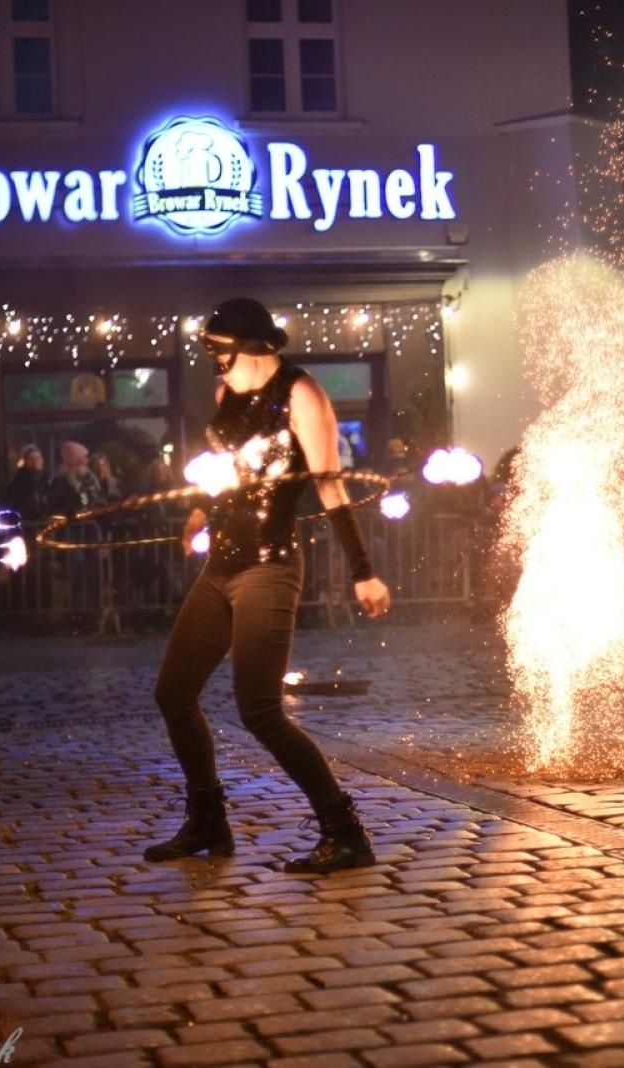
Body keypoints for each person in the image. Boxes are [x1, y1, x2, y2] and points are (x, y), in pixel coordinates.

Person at [145, 296, 391, 873]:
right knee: (173, 694)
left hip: (269, 566)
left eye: (218, 349)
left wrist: (364, 572)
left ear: (250, 347)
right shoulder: (225, 392)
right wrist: (201, 514)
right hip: (221, 566)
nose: (212, 361)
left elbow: (330, 487)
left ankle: (345, 831)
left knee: (259, 709)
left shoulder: (301, 394)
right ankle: (208, 819)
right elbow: (231, 473)